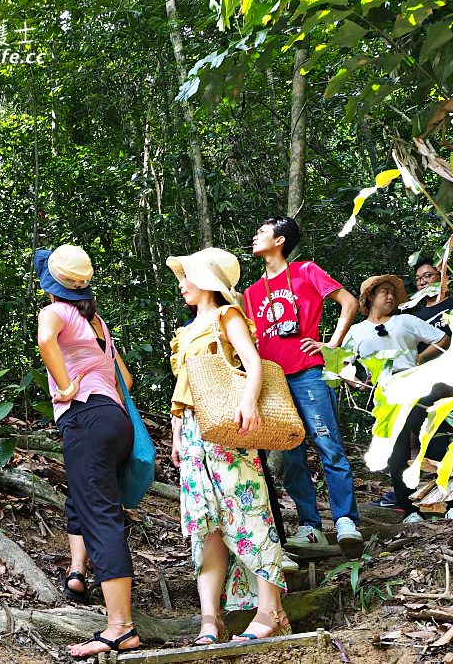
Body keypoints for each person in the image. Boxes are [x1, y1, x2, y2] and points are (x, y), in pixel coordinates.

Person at [168, 247, 292, 644]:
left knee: (248, 511)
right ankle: (210, 619)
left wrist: (248, 402)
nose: (182, 285)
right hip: (192, 432)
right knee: (206, 528)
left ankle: (271, 610)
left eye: (185, 277)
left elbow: (253, 363)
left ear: (204, 279)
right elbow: (182, 391)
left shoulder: (227, 314)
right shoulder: (186, 330)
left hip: (228, 425)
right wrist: (175, 435)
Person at [34, 245, 140, 658]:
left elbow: (46, 342)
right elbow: (124, 380)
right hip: (114, 421)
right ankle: (78, 572)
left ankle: (120, 626)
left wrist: (65, 386)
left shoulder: (54, 313)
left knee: (100, 514)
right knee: (85, 499)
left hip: (85, 418)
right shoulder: (95, 321)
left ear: (52, 286)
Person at [244, 216, 363, 554]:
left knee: (329, 444)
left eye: (262, 232)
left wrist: (332, 344)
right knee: (291, 455)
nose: (255, 237)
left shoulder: (305, 271)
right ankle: (310, 527)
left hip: (308, 370)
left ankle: (345, 521)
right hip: (274, 381)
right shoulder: (252, 293)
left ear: (280, 240)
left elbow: (349, 302)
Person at [344, 275, 453, 523]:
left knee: (436, 441)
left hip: (417, 385)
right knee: (397, 453)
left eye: (392, 293)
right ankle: (411, 511)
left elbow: (442, 338)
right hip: (386, 393)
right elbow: (343, 364)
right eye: (384, 292)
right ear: (369, 298)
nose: (390, 297)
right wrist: (357, 381)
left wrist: (420, 358)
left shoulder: (406, 320)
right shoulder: (356, 331)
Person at [409, 257, 453, 340]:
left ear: (444, 277)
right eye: (418, 279)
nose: (422, 282)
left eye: (427, 276)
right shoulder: (414, 319)